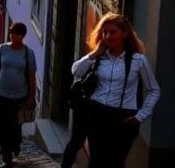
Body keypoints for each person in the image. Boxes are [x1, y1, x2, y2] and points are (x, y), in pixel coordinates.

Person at [67, 13, 160, 168]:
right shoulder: (99, 57)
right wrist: (95, 53)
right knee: (96, 161)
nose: (107, 36)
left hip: (123, 118)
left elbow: (154, 90)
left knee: (115, 162)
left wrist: (140, 116)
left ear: (124, 33)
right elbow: (76, 71)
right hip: (97, 113)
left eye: (112, 32)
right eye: (104, 32)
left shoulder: (138, 60)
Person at [0, 22, 37, 168]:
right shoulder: (3, 49)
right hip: (1, 94)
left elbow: (31, 76)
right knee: (3, 126)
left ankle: (16, 143)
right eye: (11, 32)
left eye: (15, 33)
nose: (12, 35)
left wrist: (31, 96)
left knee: (15, 126)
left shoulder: (28, 53)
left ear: (22, 35)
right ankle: (6, 157)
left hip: (19, 96)